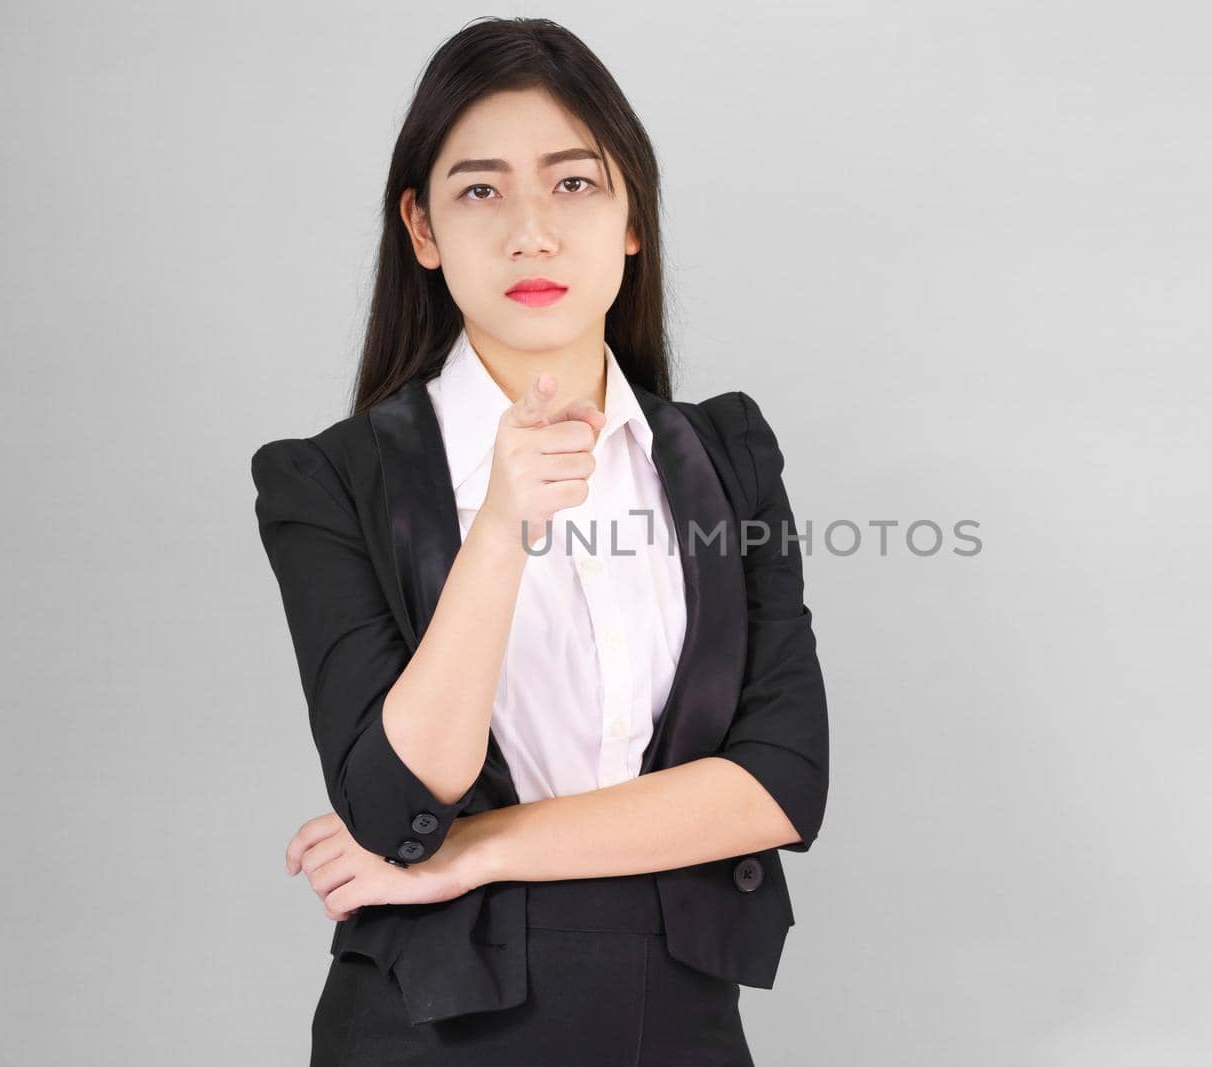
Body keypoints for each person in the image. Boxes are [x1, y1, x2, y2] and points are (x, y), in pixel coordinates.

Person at [248, 17, 830, 1065]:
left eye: (573, 184)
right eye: (480, 190)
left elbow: (779, 782)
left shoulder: (725, 455)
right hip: (430, 1033)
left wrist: (472, 852)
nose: (531, 231)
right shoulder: (325, 479)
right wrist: (502, 530)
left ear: (632, 218)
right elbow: (392, 803)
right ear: (421, 230)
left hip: (680, 1023)